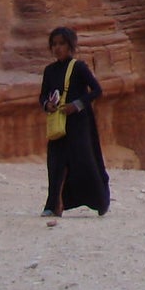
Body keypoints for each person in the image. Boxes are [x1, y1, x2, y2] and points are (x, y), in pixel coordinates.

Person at [39, 26, 109, 219]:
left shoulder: (79, 67)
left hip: (79, 125)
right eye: (54, 44)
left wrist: (76, 105)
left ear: (70, 46)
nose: (57, 48)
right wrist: (47, 105)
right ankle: (53, 205)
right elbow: (43, 95)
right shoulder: (49, 71)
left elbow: (96, 90)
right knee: (55, 163)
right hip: (58, 123)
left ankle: (100, 201)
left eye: (61, 43)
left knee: (83, 162)